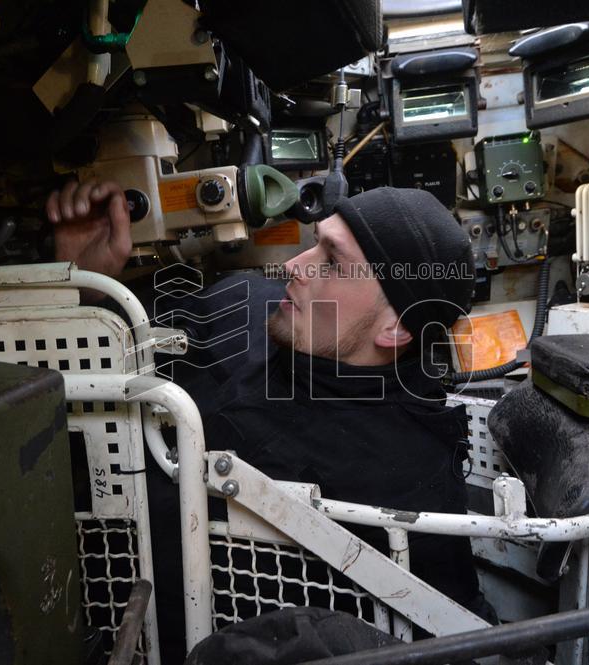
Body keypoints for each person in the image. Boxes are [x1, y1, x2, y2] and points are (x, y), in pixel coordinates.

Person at [47, 181, 486, 661]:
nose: (294, 267)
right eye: (314, 243)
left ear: (396, 328)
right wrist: (83, 286)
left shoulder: (408, 489)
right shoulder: (247, 306)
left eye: (333, 262)